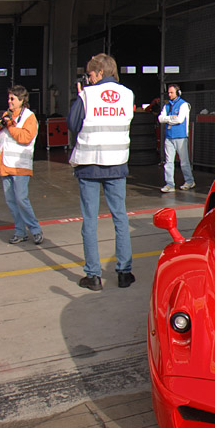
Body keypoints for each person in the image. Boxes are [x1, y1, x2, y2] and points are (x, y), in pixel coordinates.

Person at [69, 53, 135, 291]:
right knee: (120, 217)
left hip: (89, 164)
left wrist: (82, 95)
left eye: (90, 74)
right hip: (117, 163)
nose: (89, 78)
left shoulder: (88, 93)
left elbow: (73, 123)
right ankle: (124, 272)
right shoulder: (128, 95)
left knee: (90, 219)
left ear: (97, 74)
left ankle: (93, 275)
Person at [0, 85, 43, 245]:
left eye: (12, 99)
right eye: (9, 98)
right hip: (5, 165)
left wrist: (10, 125)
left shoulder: (29, 117)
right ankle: (20, 231)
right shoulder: (7, 115)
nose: (9, 101)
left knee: (21, 199)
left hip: (20, 166)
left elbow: (25, 137)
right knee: (11, 201)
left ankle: (35, 230)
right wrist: (1, 124)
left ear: (22, 100)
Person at [158, 84, 195, 193]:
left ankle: (189, 181)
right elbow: (160, 118)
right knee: (168, 162)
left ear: (178, 93)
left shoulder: (183, 105)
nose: (169, 95)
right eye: (168, 93)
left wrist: (167, 119)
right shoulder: (167, 106)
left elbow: (179, 119)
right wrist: (170, 118)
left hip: (181, 136)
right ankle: (169, 184)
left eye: (171, 93)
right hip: (169, 136)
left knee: (184, 161)